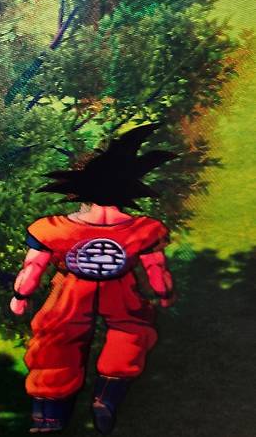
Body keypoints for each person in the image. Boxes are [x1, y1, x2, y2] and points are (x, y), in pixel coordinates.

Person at [9, 124, 176, 434]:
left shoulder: (53, 228)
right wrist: (164, 294)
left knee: (56, 338)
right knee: (131, 331)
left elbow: (32, 268)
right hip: (120, 286)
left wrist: (21, 297)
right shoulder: (142, 229)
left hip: (70, 288)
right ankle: (106, 397)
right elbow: (157, 269)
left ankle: (48, 417)